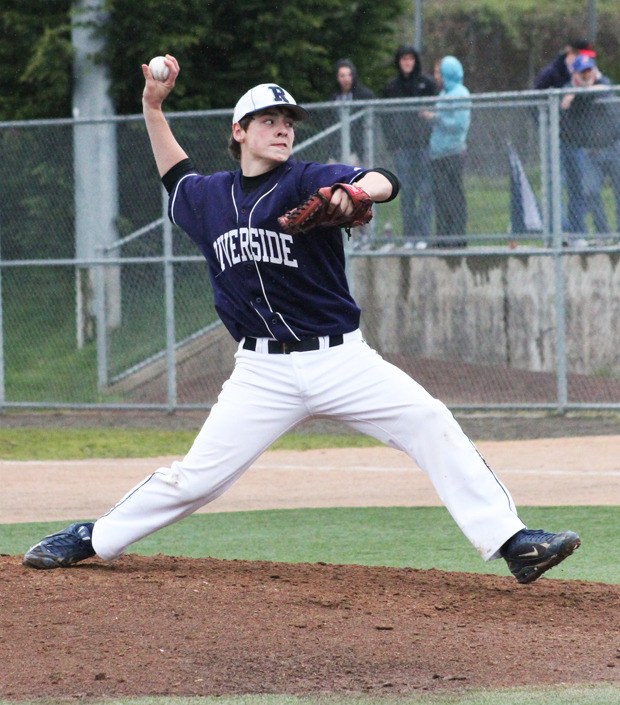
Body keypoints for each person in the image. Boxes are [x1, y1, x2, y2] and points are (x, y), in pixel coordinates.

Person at [22, 54, 581, 585]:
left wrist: (354, 191)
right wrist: (152, 106)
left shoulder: (306, 179)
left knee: (429, 420)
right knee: (194, 479)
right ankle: (94, 536)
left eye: (288, 121)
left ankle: (514, 543)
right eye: (267, 120)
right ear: (238, 131)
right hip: (261, 374)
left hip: (341, 359)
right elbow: (175, 174)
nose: (282, 129)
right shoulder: (209, 198)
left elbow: (384, 178)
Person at [533, 38, 596, 239]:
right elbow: (534, 102)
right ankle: (559, 232)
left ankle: (578, 232)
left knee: (578, 185)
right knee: (555, 185)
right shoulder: (552, 73)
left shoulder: (586, 73)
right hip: (556, 138)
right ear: (571, 54)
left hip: (575, 138)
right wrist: (548, 125)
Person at [560, 54, 620, 242]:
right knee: (590, 192)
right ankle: (603, 233)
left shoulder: (603, 84)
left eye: (589, 71)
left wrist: (591, 86)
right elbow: (565, 103)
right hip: (590, 152)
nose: (587, 75)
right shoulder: (569, 90)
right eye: (582, 72)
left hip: (613, 147)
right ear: (575, 74)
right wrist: (578, 92)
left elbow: (607, 89)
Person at [382, 45, 437, 246]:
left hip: (424, 146)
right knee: (407, 192)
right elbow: (385, 119)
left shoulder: (426, 84)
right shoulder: (391, 87)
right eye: (403, 58)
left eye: (411, 59)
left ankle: (422, 235)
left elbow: (435, 112)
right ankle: (409, 236)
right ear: (398, 61)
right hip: (402, 148)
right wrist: (393, 143)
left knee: (425, 190)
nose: (407, 62)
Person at [425, 56, 471, 248]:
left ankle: (457, 237)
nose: (436, 76)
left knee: (453, 196)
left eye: (439, 72)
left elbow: (458, 125)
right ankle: (443, 237)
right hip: (438, 153)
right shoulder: (444, 93)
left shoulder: (460, 93)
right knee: (441, 197)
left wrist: (435, 118)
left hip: (452, 153)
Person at [329, 58, 375, 166]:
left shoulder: (364, 95)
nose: (346, 79)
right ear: (337, 78)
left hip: (357, 149)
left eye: (349, 75)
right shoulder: (334, 97)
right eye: (342, 76)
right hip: (337, 149)